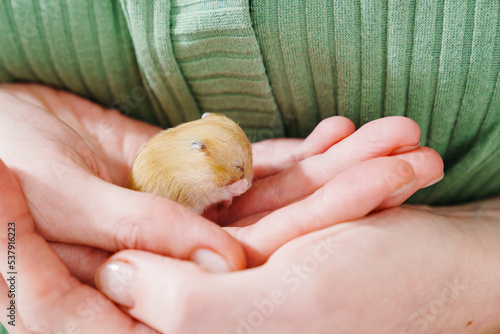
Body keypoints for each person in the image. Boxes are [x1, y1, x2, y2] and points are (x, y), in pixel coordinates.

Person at [1, 1, 499, 333]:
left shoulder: (209, 149)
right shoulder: (180, 172)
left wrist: (468, 281)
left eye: (243, 170)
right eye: (235, 173)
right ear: (198, 151)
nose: (244, 183)